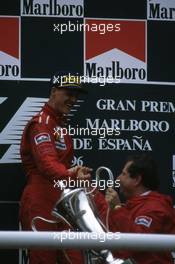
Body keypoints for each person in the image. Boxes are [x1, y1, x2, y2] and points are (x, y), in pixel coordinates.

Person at [19, 71, 91, 264]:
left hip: (62, 199)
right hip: (41, 198)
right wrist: (73, 176)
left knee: (74, 258)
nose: (73, 99)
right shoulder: (40, 124)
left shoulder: (59, 126)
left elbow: (59, 166)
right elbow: (47, 164)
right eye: (68, 93)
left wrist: (75, 172)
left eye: (76, 95)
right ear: (53, 92)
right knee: (44, 259)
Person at [94, 154, 175, 264]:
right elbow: (108, 216)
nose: (118, 178)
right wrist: (91, 191)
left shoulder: (156, 208)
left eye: (123, 174)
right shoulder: (136, 204)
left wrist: (117, 208)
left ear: (137, 179)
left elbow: (137, 241)